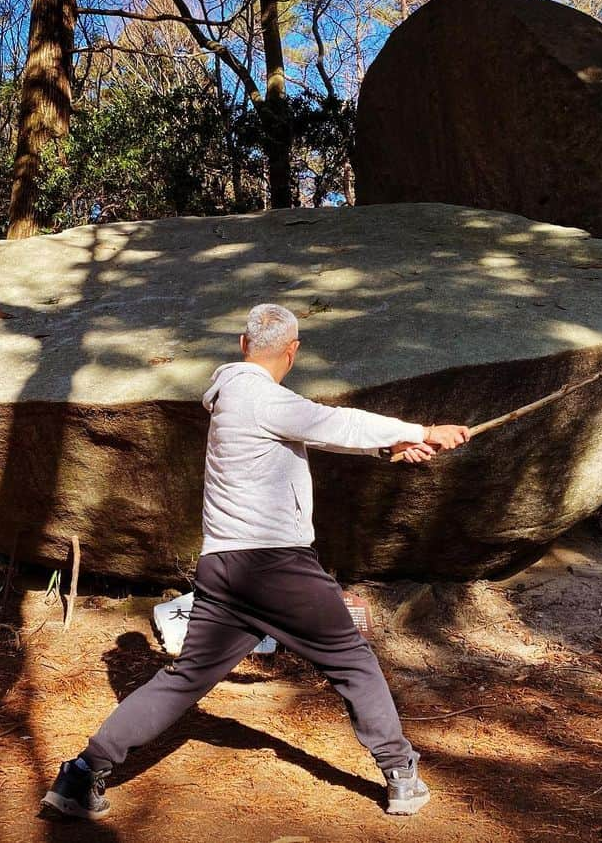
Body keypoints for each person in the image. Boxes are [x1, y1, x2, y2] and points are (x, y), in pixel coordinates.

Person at [41, 303, 469, 820]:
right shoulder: (263, 397)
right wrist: (423, 429)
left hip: (224, 569)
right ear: (292, 351)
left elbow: (311, 433)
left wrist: (392, 447)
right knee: (352, 662)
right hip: (276, 565)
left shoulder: (234, 400)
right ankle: (401, 773)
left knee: (185, 680)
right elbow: (333, 421)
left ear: (244, 345)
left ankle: (81, 774)